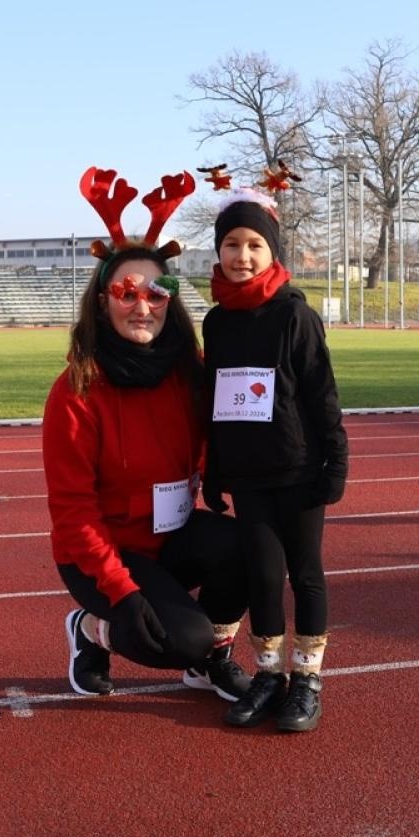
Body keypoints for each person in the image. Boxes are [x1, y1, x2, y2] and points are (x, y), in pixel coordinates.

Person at [42, 166, 251, 701]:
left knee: (253, 547)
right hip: (100, 552)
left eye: (159, 292)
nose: (143, 305)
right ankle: (92, 630)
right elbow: (73, 511)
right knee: (181, 638)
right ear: (102, 299)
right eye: (126, 291)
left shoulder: (188, 372)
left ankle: (212, 661)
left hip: (170, 535)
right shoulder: (76, 392)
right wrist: (120, 590)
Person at [202, 179, 349, 732]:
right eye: (232, 244)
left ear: (272, 252)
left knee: (304, 574)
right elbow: (215, 401)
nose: (242, 255)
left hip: (300, 471)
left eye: (254, 245)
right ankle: (268, 674)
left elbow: (322, 395)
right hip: (248, 476)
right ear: (219, 250)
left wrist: (336, 462)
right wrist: (214, 469)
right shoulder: (216, 322)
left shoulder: (294, 316)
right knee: (263, 577)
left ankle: (306, 679)